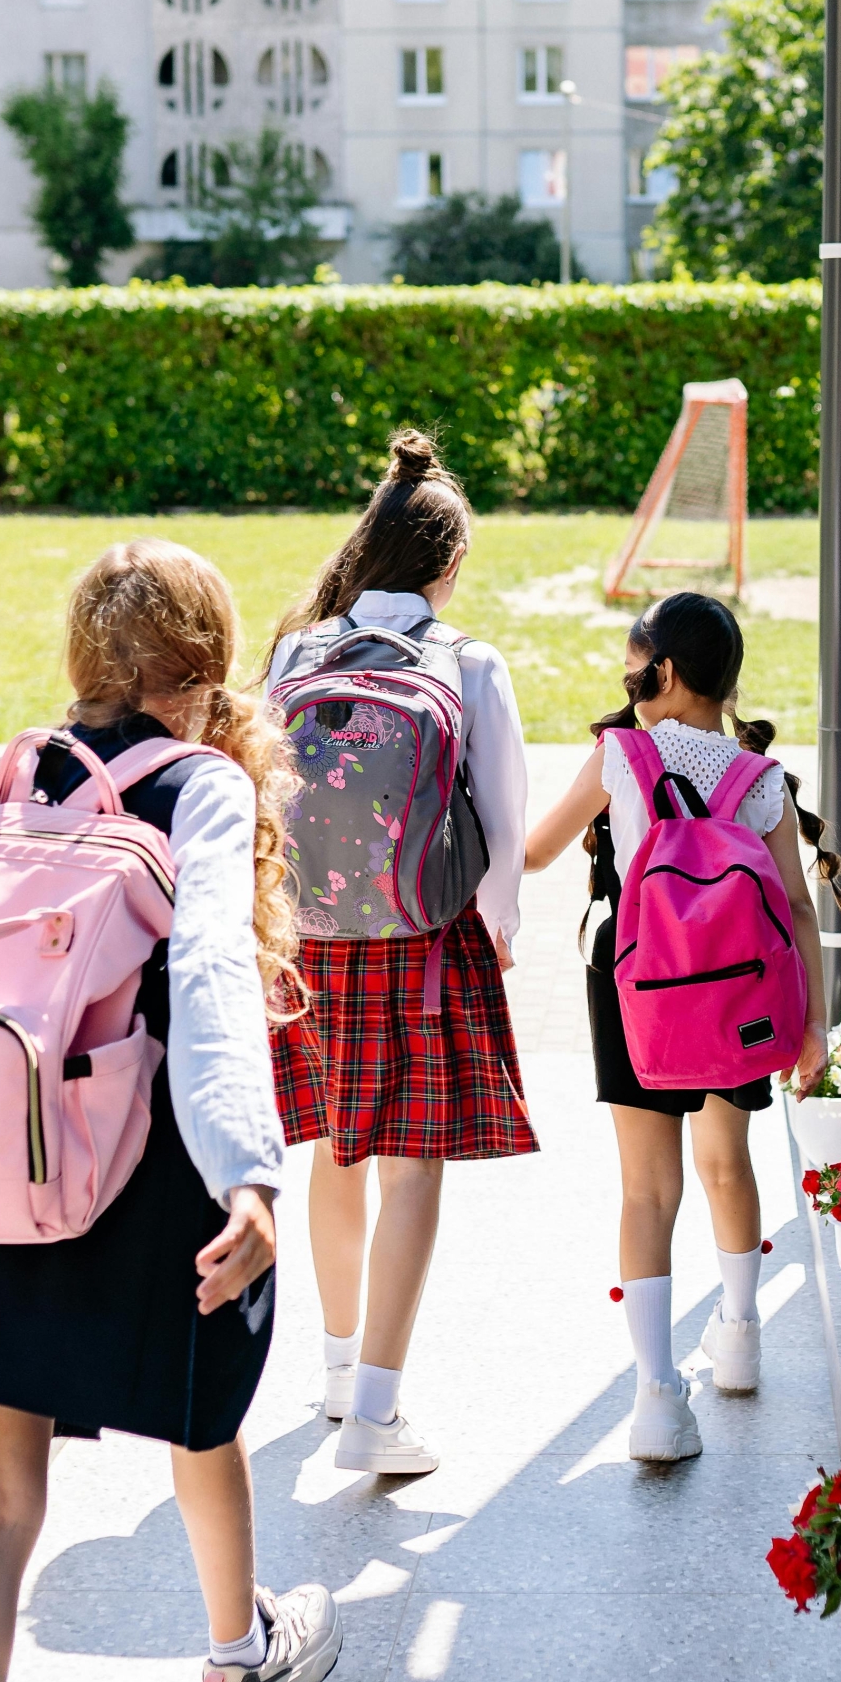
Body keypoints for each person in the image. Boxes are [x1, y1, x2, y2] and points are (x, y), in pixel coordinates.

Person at [0, 541, 337, 1682]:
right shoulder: (206, 790)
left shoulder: (9, 773)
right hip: (149, 1165)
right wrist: (252, 1172)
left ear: (85, 662)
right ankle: (239, 1661)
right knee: (199, 1415)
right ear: (204, 664)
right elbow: (219, 980)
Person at [265, 430, 535, 1476]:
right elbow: (505, 822)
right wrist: (500, 928)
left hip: (313, 940)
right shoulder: (468, 662)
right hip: (424, 939)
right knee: (413, 1165)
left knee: (338, 1146)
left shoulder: (297, 653)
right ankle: (378, 1412)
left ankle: (338, 1376)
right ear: (447, 565)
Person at [525, 592, 831, 1462]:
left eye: (634, 668)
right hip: (740, 995)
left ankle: (657, 1397)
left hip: (637, 988)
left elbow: (541, 849)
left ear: (662, 673)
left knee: (647, 1191)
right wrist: (810, 1021)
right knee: (726, 1163)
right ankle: (738, 1335)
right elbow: (798, 913)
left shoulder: (619, 757)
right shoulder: (759, 779)